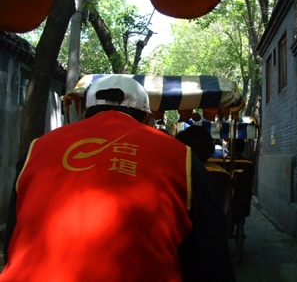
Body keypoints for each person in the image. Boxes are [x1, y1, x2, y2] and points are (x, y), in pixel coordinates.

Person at [1, 74, 235, 282]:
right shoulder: (180, 156)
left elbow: (13, 237)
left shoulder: (36, 150)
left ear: (85, 114)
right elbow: (212, 257)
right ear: (146, 118)